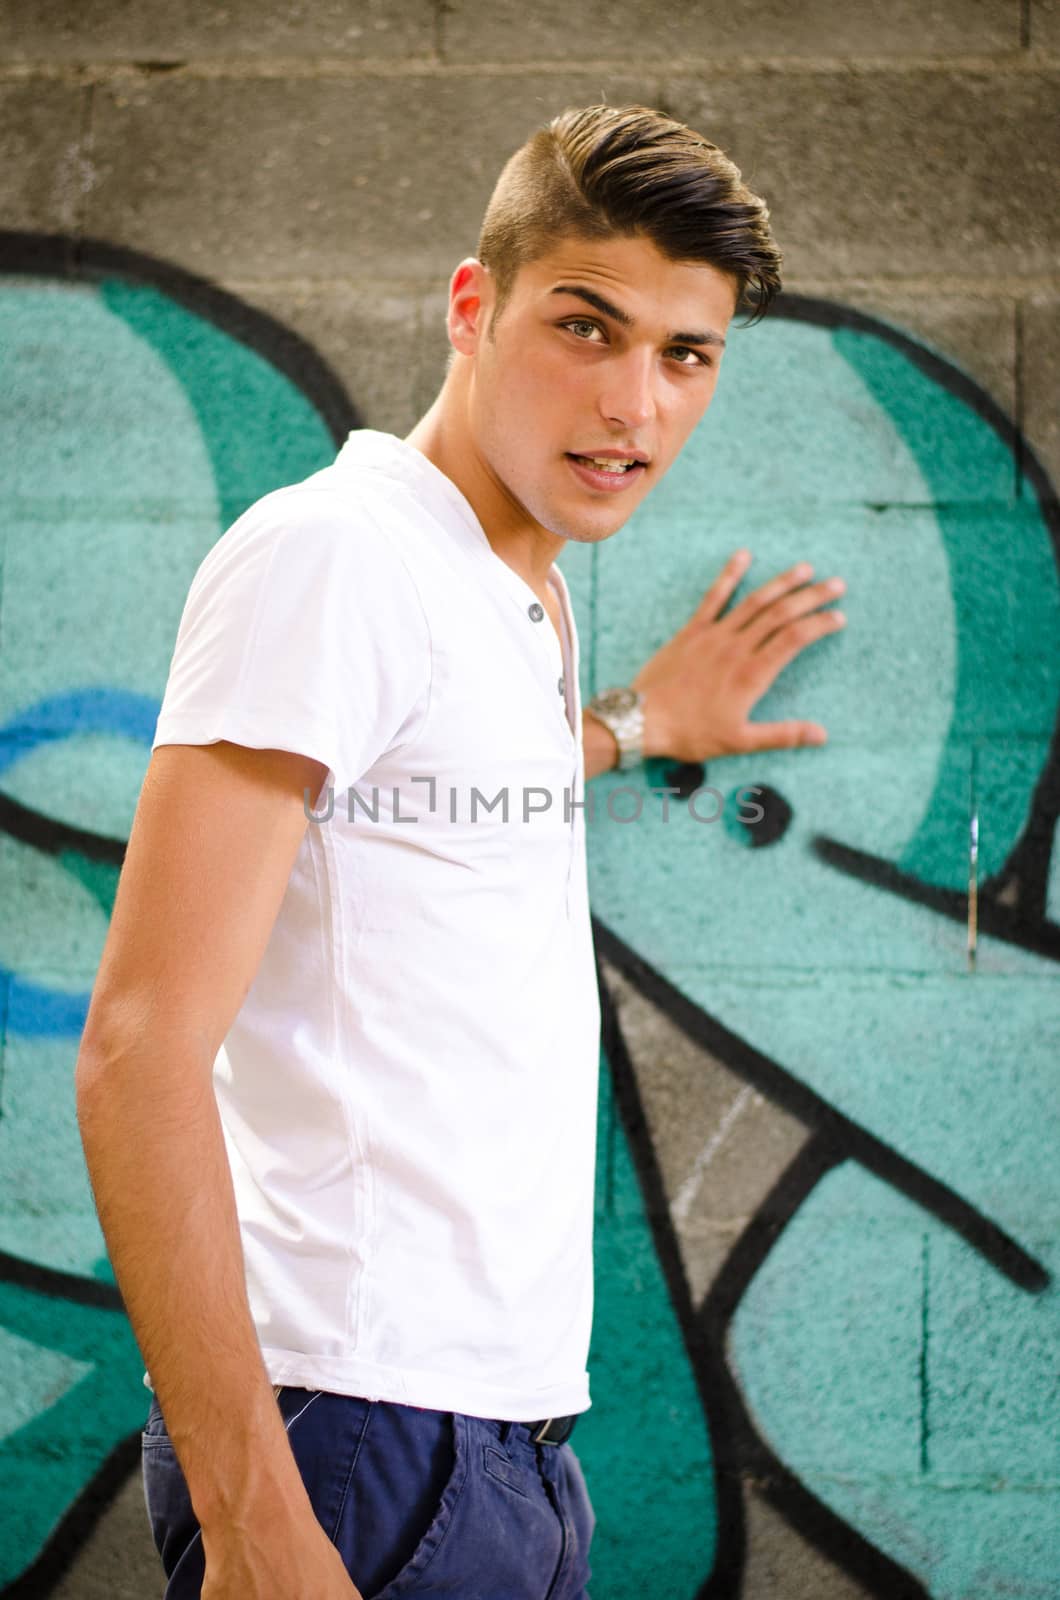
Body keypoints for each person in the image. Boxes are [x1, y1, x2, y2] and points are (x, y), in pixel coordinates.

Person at [75, 103, 846, 1600]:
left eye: (685, 355)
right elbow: (137, 1047)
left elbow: (414, 797)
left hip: (493, 1451)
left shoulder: (503, 593)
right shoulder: (339, 556)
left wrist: (635, 721)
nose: (636, 402)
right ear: (472, 306)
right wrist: (253, 1522)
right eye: (587, 327)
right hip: (358, 1442)